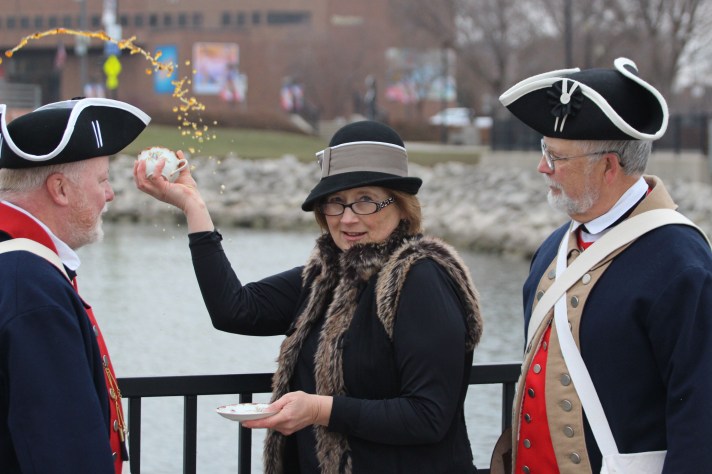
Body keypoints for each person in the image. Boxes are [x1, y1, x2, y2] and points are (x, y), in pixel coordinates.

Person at [133, 120, 484, 473]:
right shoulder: (326, 276)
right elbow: (234, 310)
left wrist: (319, 410)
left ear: (402, 206)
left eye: (365, 200)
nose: (347, 218)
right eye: (336, 202)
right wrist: (194, 207)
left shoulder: (421, 277)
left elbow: (428, 416)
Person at [497, 57, 712, 472]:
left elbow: (701, 420)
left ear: (609, 166)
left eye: (557, 156)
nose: (543, 167)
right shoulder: (552, 250)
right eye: (545, 150)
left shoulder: (682, 264)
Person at [0, 98, 150, 473]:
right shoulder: (31, 287)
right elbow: (62, 451)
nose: (110, 194)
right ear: (60, 189)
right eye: (102, 180)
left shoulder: (21, 265)